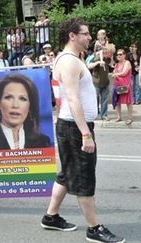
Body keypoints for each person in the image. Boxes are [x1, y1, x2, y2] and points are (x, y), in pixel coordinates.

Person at [41, 18, 125, 243]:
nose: (90, 38)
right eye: (86, 34)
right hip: (75, 128)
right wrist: (85, 134)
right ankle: (94, 228)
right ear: (72, 36)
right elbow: (72, 99)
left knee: (68, 173)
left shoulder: (73, 60)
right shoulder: (69, 62)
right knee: (83, 175)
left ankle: (50, 217)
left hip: (71, 125)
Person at [88, 43, 115, 121]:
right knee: (94, 99)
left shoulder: (108, 59)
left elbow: (112, 63)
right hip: (96, 82)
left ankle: (104, 115)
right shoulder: (97, 57)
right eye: (111, 53)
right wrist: (98, 62)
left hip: (105, 82)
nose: (112, 55)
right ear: (107, 52)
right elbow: (89, 65)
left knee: (104, 100)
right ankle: (94, 114)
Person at [112, 49, 133, 125]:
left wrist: (116, 74)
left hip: (125, 84)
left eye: (120, 54)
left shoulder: (127, 62)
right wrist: (114, 74)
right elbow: (114, 72)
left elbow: (124, 73)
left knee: (128, 101)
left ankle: (130, 117)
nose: (119, 56)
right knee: (117, 101)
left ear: (124, 55)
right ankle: (118, 117)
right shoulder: (116, 64)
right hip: (117, 84)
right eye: (117, 54)